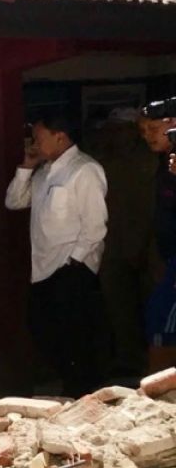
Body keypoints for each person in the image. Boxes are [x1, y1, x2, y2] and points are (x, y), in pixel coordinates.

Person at [5, 112, 108, 397]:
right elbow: (13, 201)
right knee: (43, 331)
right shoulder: (44, 171)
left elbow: (95, 225)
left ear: (59, 136)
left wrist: (74, 262)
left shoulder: (84, 169)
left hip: (71, 267)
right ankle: (72, 392)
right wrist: (27, 166)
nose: (34, 143)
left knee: (74, 340)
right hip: (43, 269)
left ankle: (84, 397)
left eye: (39, 137)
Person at [86, 108, 154, 376]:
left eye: (120, 128)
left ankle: (155, 359)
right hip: (111, 244)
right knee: (118, 306)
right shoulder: (99, 162)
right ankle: (129, 360)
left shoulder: (152, 159)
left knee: (154, 304)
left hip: (150, 244)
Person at [139, 101, 176, 372]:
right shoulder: (163, 163)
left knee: (163, 321)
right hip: (169, 258)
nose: (149, 136)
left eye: (154, 128)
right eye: (144, 131)